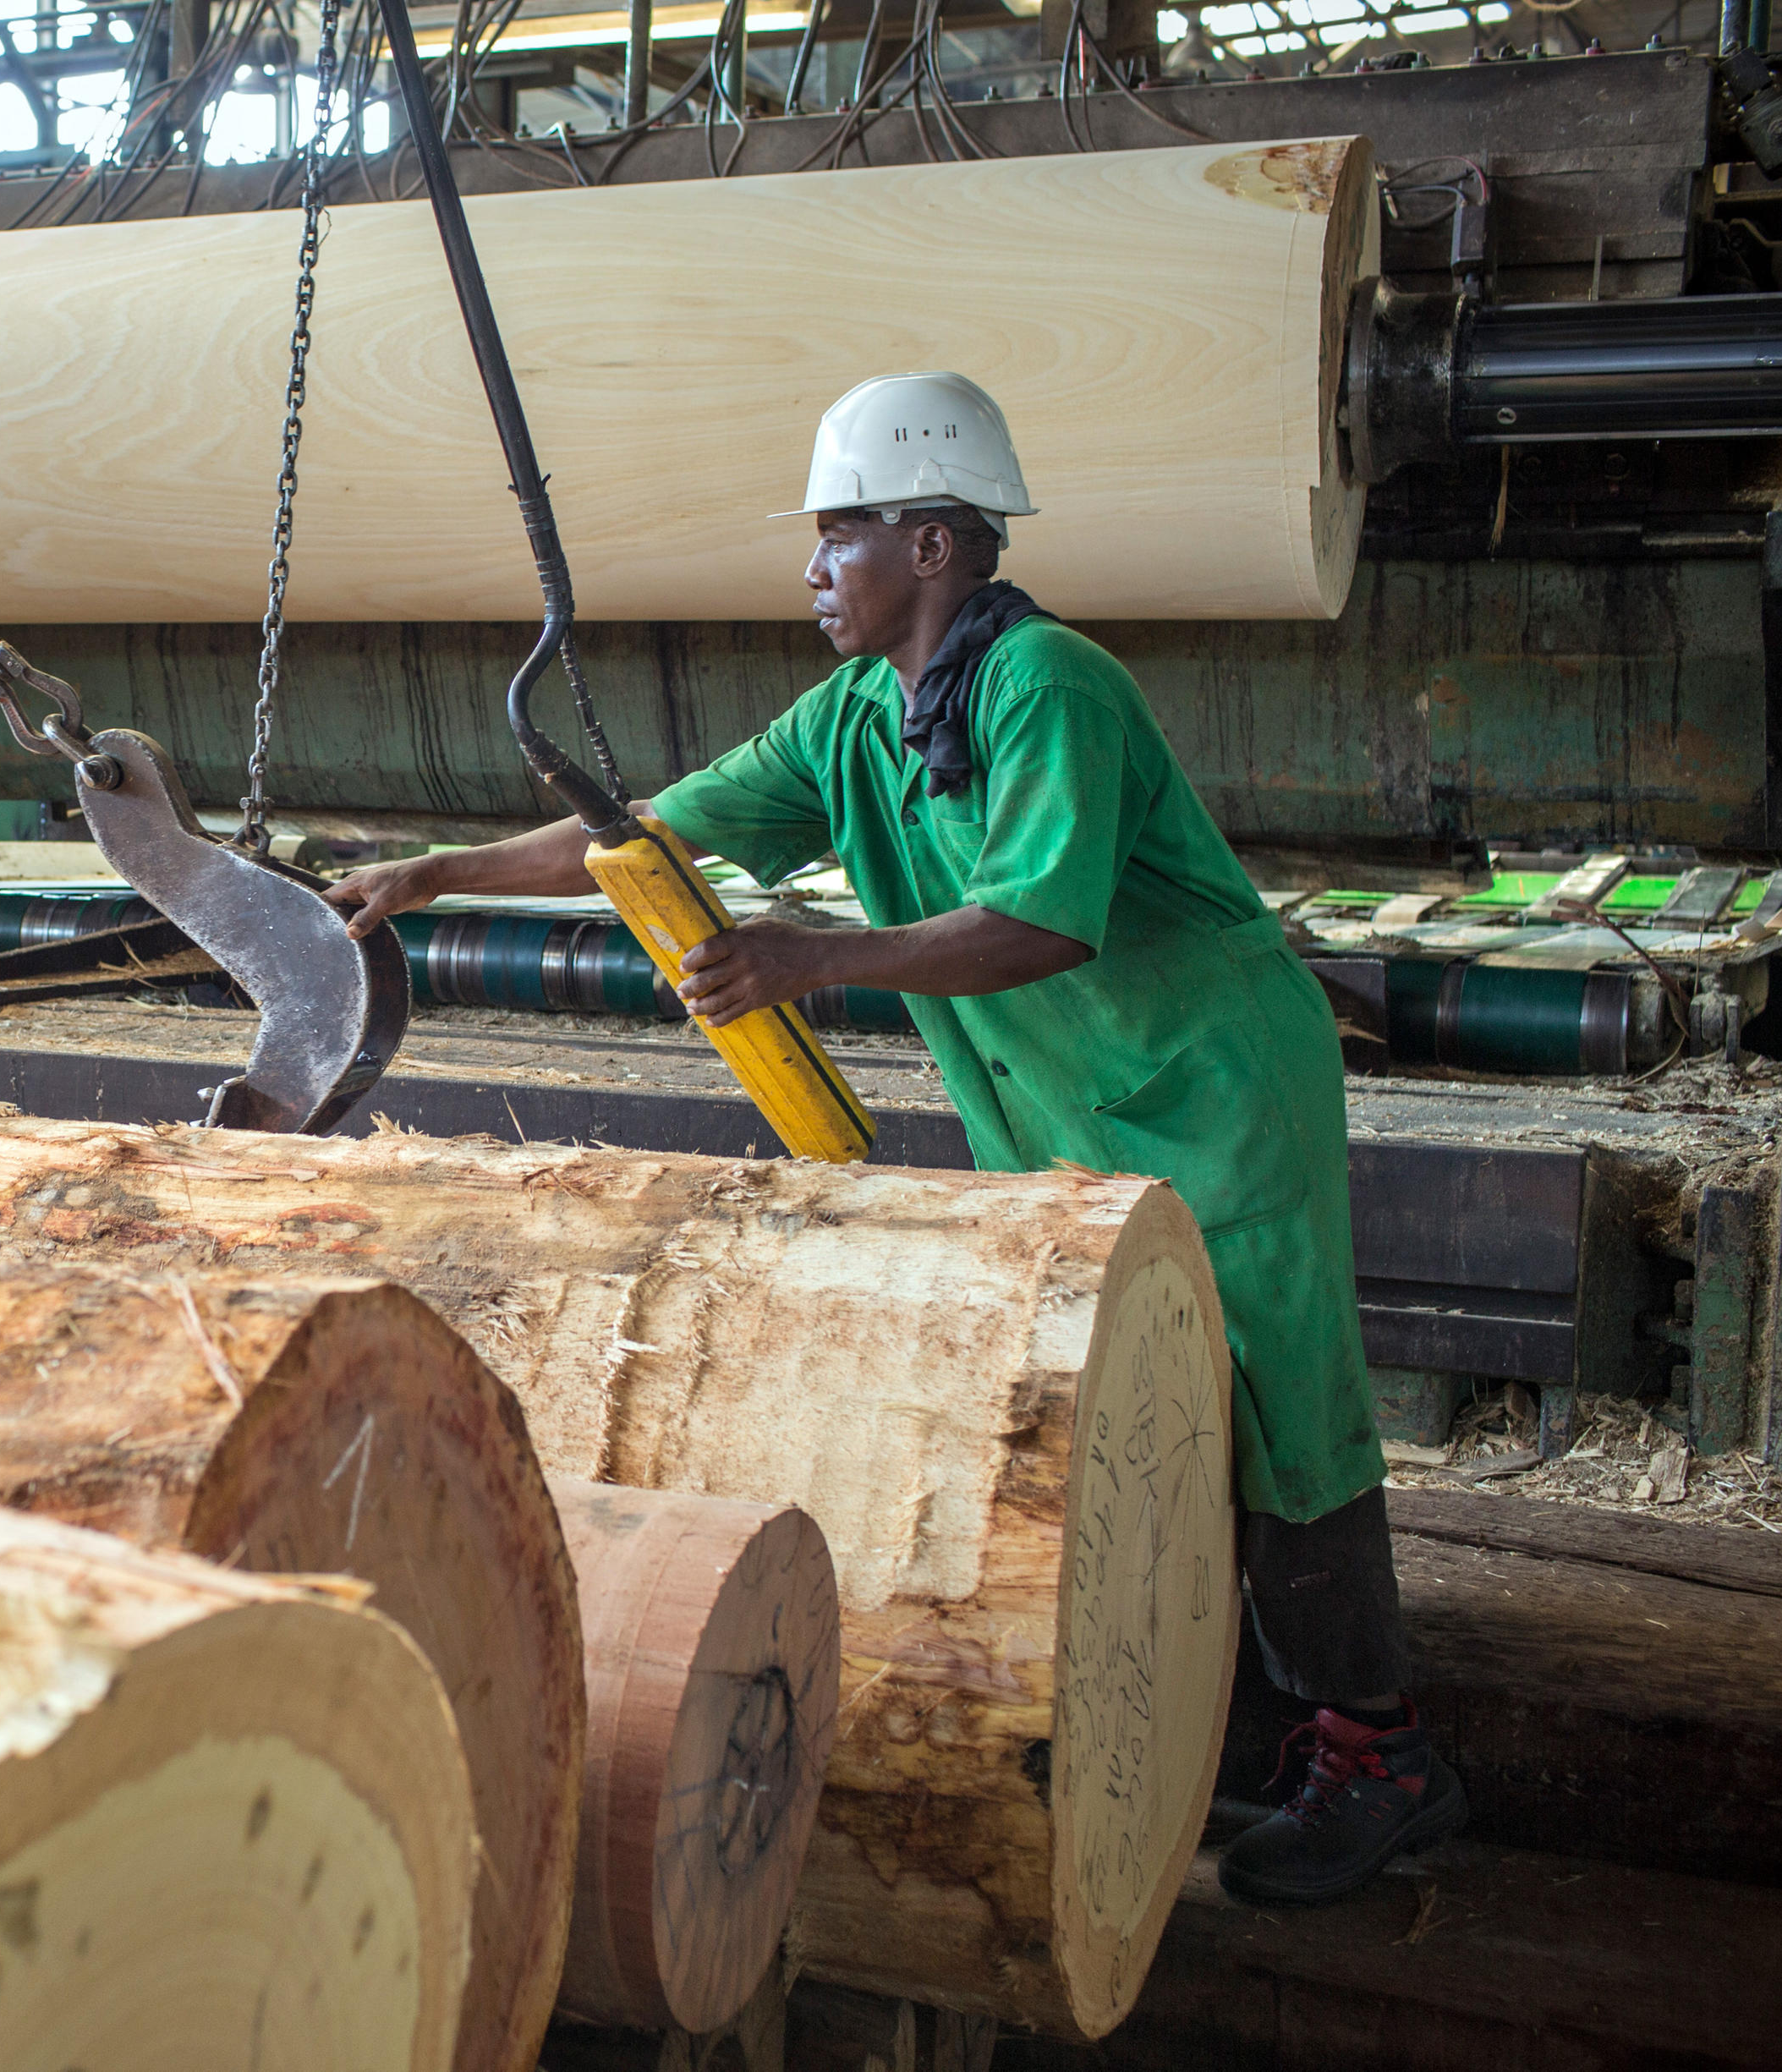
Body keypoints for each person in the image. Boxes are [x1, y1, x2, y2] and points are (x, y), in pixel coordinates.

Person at [322, 370, 1467, 1907]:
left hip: (1209, 1086)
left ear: (934, 542)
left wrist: (811, 958)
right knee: (1147, 1391)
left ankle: (1382, 1753)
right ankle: (1252, 1721)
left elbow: (1043, 921)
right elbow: (654, 834)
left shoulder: (1048, 685)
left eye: (837, 532)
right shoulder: (854, 716)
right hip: (1067, 1097)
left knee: (1278, 1403)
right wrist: (442, 870)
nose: (811, 568)